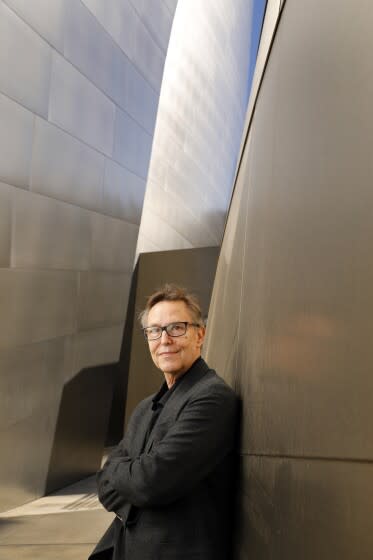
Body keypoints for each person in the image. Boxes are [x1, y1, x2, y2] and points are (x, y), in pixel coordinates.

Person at [89, 284, 238, 560]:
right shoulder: (145, 407)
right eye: (155, 331)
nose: (165, 339)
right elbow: (103, 484)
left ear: (200, 334)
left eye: (177, 328)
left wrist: (122, 475)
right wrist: (130, 479)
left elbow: (151, 482)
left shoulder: (212, 398)